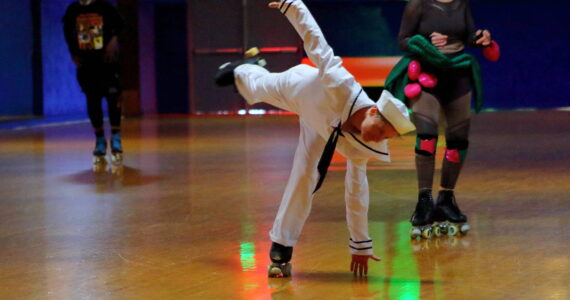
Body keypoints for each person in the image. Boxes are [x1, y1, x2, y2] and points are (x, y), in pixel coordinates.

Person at [216, 0, 415, 277]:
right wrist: (293, 5)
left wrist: (360, 244)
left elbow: (356, 192)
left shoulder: (363, 146)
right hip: (300, 88)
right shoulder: (342, 85)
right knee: (259, 86)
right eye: (380, 131)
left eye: (386, 138)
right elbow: (317, 43)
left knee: (305, 174)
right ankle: (242, 68)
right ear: (372, 111)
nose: (377, 139)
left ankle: (281, 244)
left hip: (321, 128)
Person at [384, 0, 496, 238]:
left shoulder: (461, 4)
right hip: (427, 74)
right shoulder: (417, 5)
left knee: (458, 139)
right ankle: (424, 199)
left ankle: (447, 197)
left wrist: (481, 38)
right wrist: (425, 43)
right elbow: (403, 40)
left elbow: (467, 37)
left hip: (458, 75)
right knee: (427, 135)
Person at [63, 0, 125, 165]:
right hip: (87, 64)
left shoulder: (104, 7)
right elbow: (68, 32)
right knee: (93, 100)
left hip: (107, 62)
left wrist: (113, 41)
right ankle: (99, 140)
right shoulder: (73, 10)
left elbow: (121, 25)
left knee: (113, 98)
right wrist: (72, 52)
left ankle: (116, 137)